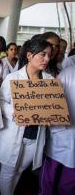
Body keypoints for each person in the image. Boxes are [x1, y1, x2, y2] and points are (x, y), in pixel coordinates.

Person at [0, 38, 53, 195]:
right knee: (8, 170)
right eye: (43, 54)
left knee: (20, 170)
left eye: (49, 55)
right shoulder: (13, 78)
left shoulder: (50, 81)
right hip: (14, 133)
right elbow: (1, 101)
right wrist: (15, 112)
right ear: (30, 55)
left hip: (35, 137)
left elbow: (52, 106)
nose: (47, 59)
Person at [39, 65, 75, 195]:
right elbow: (52, 99)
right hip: (61, 131)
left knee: (70, 179)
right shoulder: (68, 73)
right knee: (50, 174)